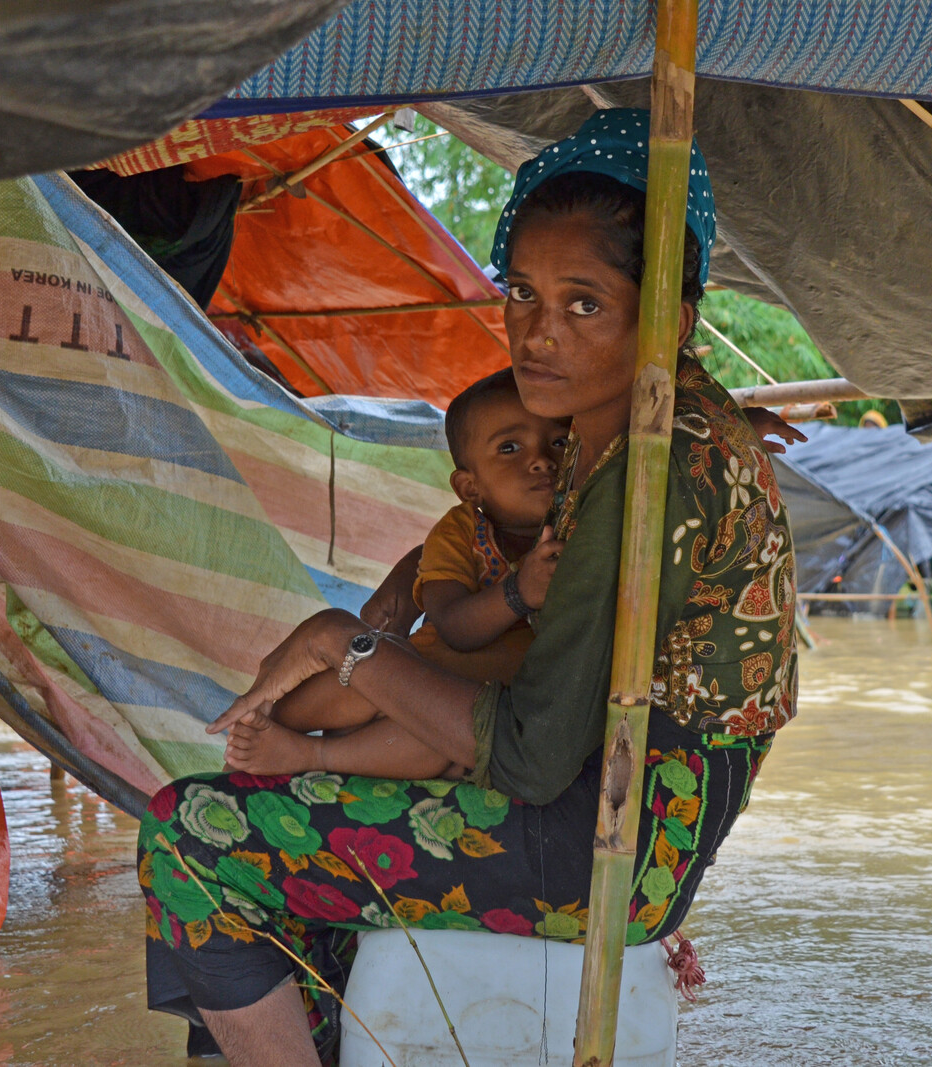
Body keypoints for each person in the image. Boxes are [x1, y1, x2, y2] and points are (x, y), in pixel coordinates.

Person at [138, 108, 799, 1067]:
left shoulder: (647, 477)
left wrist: (349, 645)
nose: (537, 334)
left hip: (599, 848)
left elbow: (528, 758)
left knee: (190, 835)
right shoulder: (653, 420)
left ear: (669, 318)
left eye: (584, 304)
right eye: (523, 293)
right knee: (294, 793)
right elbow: (487, 557)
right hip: (632, 820)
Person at [238, 367, 570, 780]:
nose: (541, 460)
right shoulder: (460, 532)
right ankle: (268, 722)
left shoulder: (579, 538)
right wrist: (518, 593)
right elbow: (452, 626)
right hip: (412, 675)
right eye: (510, 448)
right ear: (469, 488)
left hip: (464, 715)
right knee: (370, 669)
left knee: (433, 746)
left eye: (559, 442)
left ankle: (311, 754)